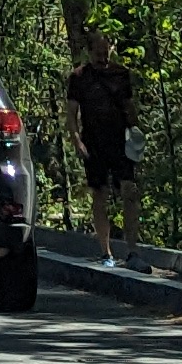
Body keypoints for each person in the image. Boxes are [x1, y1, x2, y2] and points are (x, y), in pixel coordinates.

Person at [69, 32, 142, 261]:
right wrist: (76, 141)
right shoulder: (79, 77)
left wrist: (137, 134)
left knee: (129, 192)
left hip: (120, 142)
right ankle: (105, 251)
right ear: (89, 53)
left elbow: (129, 107)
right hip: (94, 143)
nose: (103, 57)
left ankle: (133, 251)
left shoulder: (121, 74)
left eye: (106, 52)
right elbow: (71, 113)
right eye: (98, 53)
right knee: (100, 194)